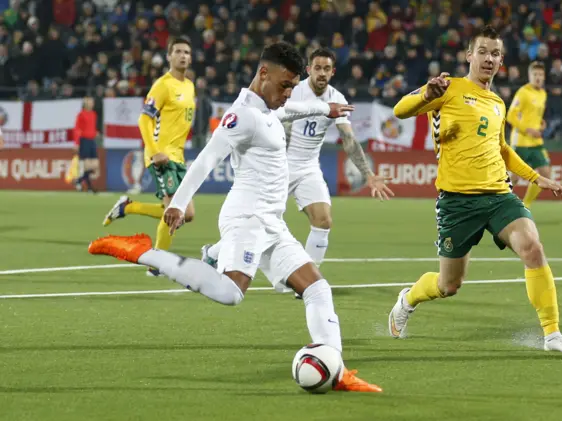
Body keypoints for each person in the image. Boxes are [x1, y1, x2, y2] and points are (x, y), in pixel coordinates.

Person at [88, 42, 382, 392]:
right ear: (263, 74)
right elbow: (208, 158)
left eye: (292, 86)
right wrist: (178, 203)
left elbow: (293, 110)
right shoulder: (242, 115)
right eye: (285, 85)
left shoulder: (271, 108)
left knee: (318, 288)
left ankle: (337, 369)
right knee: (231, 293)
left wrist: (325, 108)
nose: (289, 93)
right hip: (247, 217)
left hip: (272, 222)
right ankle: (141, 251)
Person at [387, 26, 562, 353]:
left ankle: (552, 335)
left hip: (498, 196)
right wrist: (426, 95)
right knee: (449, 285)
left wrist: (536, 177)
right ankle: (408, 299)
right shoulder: (447, 88)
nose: (489, 58)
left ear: (501, 60)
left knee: (532, 247)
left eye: (495, 53)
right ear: (469, 55)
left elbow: (503, 148)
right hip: (457, 202)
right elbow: (399, 111)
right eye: (483, 51)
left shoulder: (497, 102)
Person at [201, 48, 394, 298]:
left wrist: (368, 174)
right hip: (279, 167)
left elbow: (348, 138)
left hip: (308, 168)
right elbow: (276, 121)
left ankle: (305, 285)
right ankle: (214, 254)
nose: (322, 73)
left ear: (333, 72)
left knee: (324, 220)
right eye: (317, 68)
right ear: (309, 70)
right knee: (261, 224)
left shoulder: (337, 97)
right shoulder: (292, 90)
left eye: (327, 69)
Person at [102, 36, 196, 277]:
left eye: (186, 52)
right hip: (161, 155)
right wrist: (154, 151)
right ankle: (157, 264)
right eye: (178, 51)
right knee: (175, 210)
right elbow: (144, 118)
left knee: (188, 214)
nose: (183, 56)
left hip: (178, 156)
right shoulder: (162, 85)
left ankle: (128, 207)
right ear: (169, 56)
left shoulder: (189, 86)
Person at [507, 61, 550, 209]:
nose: (538, 77)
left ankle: (526, 205)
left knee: (545, 173)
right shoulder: (523, 92)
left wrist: (540, 124)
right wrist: (528, 129)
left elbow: (534, 116)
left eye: (540, 74)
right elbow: (510, 116)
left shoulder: (543, 94)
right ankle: (495, 201)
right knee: (514, 177)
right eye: (535, 74)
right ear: (530, 76)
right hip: (521, 141)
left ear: (544, 77)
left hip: (536, 142)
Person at [73, 97, 99, 193]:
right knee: (87, 165)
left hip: (92, 140)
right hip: (84, 140)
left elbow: (92, 127)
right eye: (89, 102)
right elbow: (77, 129)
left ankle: (79, 180)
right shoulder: (81, 114)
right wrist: (76, 143)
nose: (91, 104)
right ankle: (89, 187)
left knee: (94, 165)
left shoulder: (94, 114)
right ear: (85, 103)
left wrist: (95, 132)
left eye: (92, 102)